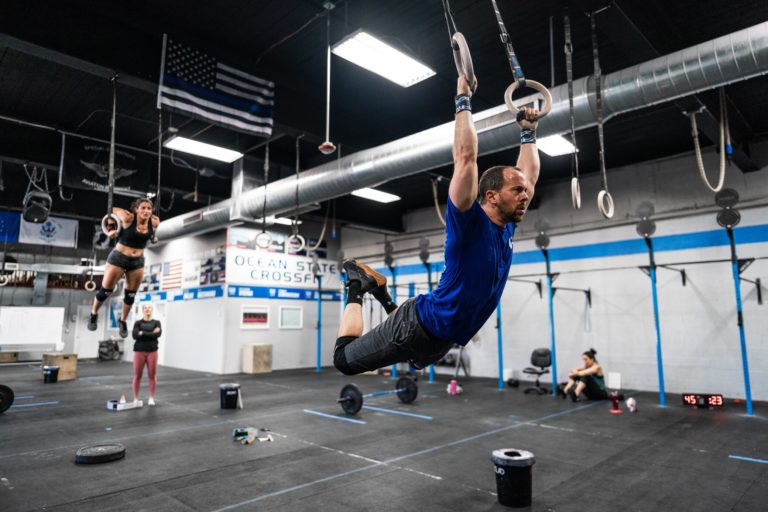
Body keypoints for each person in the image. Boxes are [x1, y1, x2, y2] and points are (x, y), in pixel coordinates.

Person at [333, 75, 540, 375]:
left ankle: (381, 291)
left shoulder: (507, 225)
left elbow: (530, 176)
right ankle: (357, 283)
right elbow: (466, 157)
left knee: (417, 361)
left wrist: (529, 133)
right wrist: (463, 97)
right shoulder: (468, 222)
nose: (526, 196)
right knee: (344, 362)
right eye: (517, 191)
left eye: (524, 192)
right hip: (415, 326)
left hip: (443, 339)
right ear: (492, 196)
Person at [87, 198, 160, 338]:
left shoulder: (155, 222)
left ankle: (123, 321)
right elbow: (110, 212)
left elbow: (152, 235)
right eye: (143, 208)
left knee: (130, 295)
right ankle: (94, 313)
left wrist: (153, 238)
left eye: (149, 209)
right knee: (106, 291)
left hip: (137, 261)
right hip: (119, 257)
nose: (146, 211)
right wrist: (110, 229)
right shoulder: (128, 217)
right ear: (136, 209)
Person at [131, 303, 162, 406]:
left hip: (152, 351)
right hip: (139, 351)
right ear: (142, 310)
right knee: (137, 376)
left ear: (152, 310)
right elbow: (135, 336)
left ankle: (151, 398)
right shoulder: (138, 323)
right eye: (145, 308)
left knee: (152, 375)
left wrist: (142, 333)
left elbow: (157, 334)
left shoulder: (157, 323)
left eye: (149, 308)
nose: (147, 309)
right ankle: (135, 398)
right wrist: (151, 334)